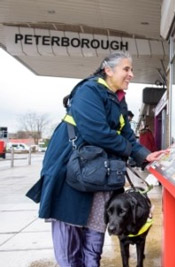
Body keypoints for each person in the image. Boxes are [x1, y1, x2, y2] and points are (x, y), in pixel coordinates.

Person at [26, 51, 165, 267]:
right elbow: (96, 132)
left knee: (94, 237)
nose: (131, 74)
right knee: (70, 236)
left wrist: (146, 156)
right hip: (70, 170)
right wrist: (130, 150)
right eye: (126, 69)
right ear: (108, 70)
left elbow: (126, 135)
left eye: (131, 69)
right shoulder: (89, 90)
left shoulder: (119, 99)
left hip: (98, 173)